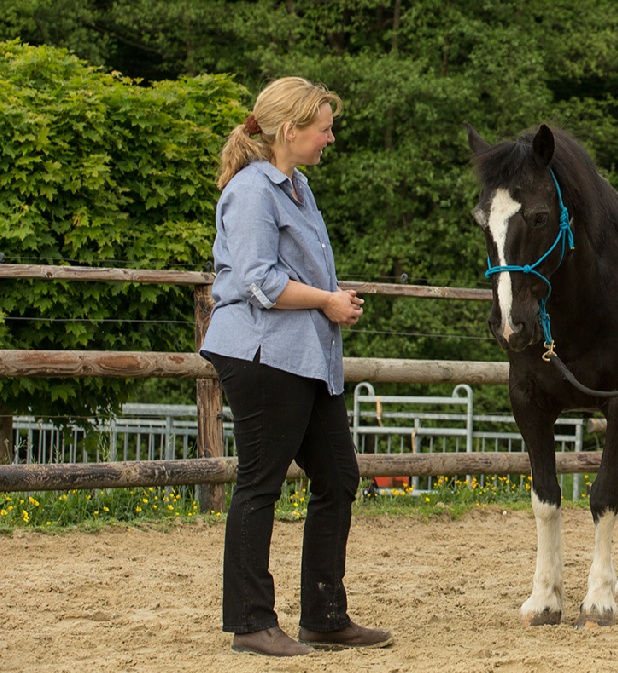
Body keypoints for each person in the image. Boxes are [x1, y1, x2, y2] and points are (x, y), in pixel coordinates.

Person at [200, 76, 393, 657]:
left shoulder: (296, 187)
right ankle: (251, 623)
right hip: (261, 353)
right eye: (323, 128)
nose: (330, 138)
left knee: (337, 477)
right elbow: (258, 281)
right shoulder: (254, 190)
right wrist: (327, 300)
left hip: (304, 356)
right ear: (290, 130)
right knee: (260, 482)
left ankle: (324, 616)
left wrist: (331, 298)